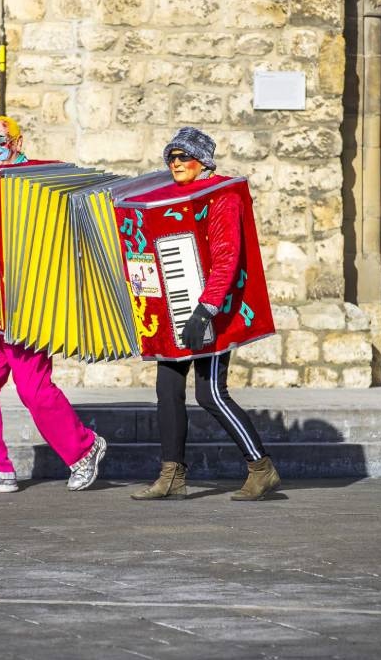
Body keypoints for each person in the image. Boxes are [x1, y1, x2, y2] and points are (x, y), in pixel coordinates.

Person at [0, 115, 107, 493]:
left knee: (33, 389)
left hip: (29, 304)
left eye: (0, 141)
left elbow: (75, 225)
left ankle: (85, 449)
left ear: (18, 143)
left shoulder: (46, 177)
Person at [131, 127, 281, 502]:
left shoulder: (222, 197)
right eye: (171, 157)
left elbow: (228, 257)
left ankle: (261, 469)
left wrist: (205, 309)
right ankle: (172, 475)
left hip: (212, 310)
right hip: (174, 310)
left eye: (184, 156)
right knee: (167, 389)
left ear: (203, 160)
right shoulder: (167, 197)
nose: (176, 163)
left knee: (211, 393)